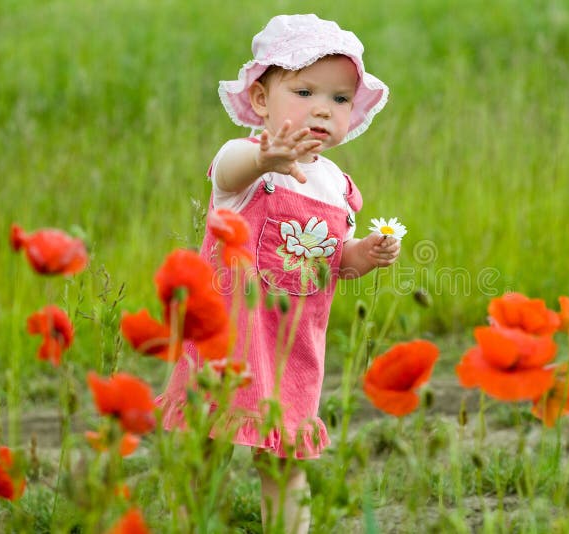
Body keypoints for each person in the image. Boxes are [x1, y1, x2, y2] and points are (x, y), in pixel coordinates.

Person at [157, 14, 398, 533]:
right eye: (305, 91)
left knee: (284, 463)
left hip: (292, 349)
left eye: (338, 99)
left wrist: (364, 253)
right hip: (228, 341)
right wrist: (266, 157)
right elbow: (228, 171)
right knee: (203, 451)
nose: (322, 108)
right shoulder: (245, 157)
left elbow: (335, 263)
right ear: (263, 101)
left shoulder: (336, 185)